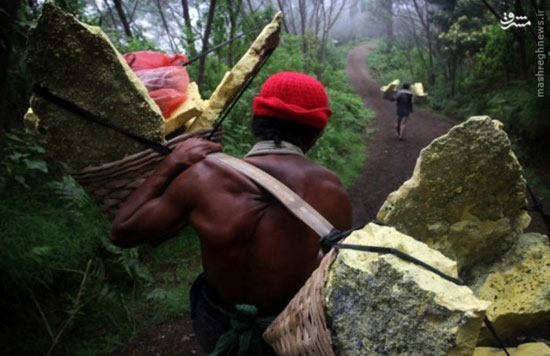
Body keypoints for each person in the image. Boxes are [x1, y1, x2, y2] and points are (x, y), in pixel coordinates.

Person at [110, 71, 353, 355]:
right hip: (286, 333)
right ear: (317, 132)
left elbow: (122, 232)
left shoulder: (201, 177)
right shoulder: (330, 192)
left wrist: (171, 163)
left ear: (256, 120)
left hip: (216, 324)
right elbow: (335, 277)